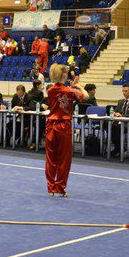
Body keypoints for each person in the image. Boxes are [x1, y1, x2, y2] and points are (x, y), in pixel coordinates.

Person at [45, 64, 87, 197]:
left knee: (51, 158)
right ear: (64, 75)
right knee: (64, 159)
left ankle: (51, 187)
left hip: (51, 125)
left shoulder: (50, 90)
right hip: (63, 126)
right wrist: (78, 86)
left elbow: (61, 90)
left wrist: (70, 86)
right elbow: (85, 96)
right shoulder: (69, 91)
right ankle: (60, 187)